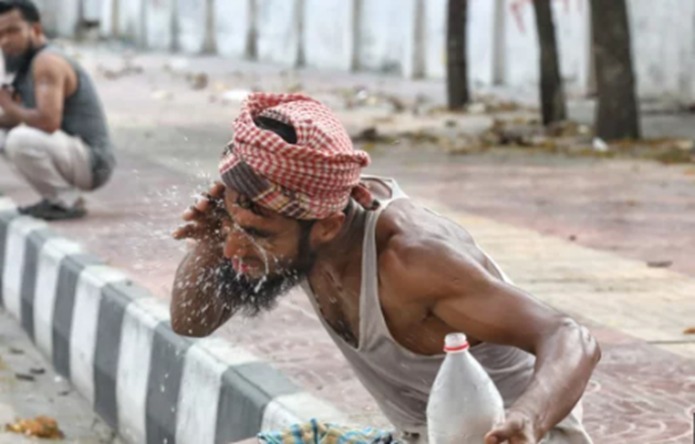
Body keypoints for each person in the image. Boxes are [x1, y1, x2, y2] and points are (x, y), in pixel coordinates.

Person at [170, 93, 600, 444]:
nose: (234, 248)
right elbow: (191, 322)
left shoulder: (413, 259)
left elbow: (570, 336)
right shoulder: (301, 219)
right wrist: (210, 238)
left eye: (258, 235)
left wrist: (527, 420)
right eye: (231, 226)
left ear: (327, 227)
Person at [0, 0, 115, 220]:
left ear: (35, 29)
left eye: (12, 31)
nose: (5, 40)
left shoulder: (47, 61)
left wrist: (8, 105)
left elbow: (47, 122)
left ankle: (66, 202)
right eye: (0, 34)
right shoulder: (24, 61)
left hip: (92, 161)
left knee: (18, 140)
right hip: (69, 152)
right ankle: (54, 198)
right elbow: (20, 117)